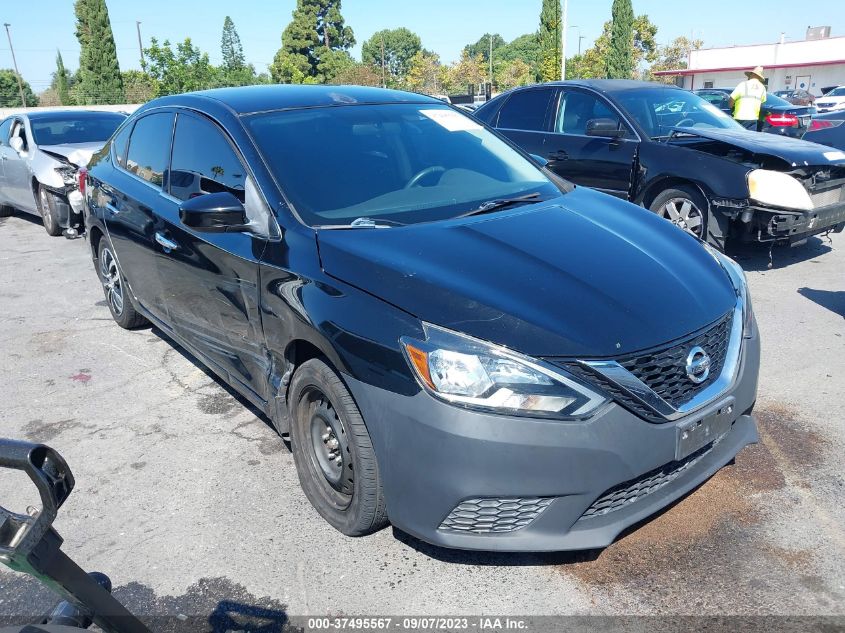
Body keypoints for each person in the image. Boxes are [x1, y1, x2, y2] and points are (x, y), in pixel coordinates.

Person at [729, 66, 767, 131]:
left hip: (739, 118)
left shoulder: (743, 84)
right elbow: (762, 104)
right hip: (753, 119)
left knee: (738, 138)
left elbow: (732, 98)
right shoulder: (762, 88)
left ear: (752, 74)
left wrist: (731, 108)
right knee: (749, 139)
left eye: (750, 74)